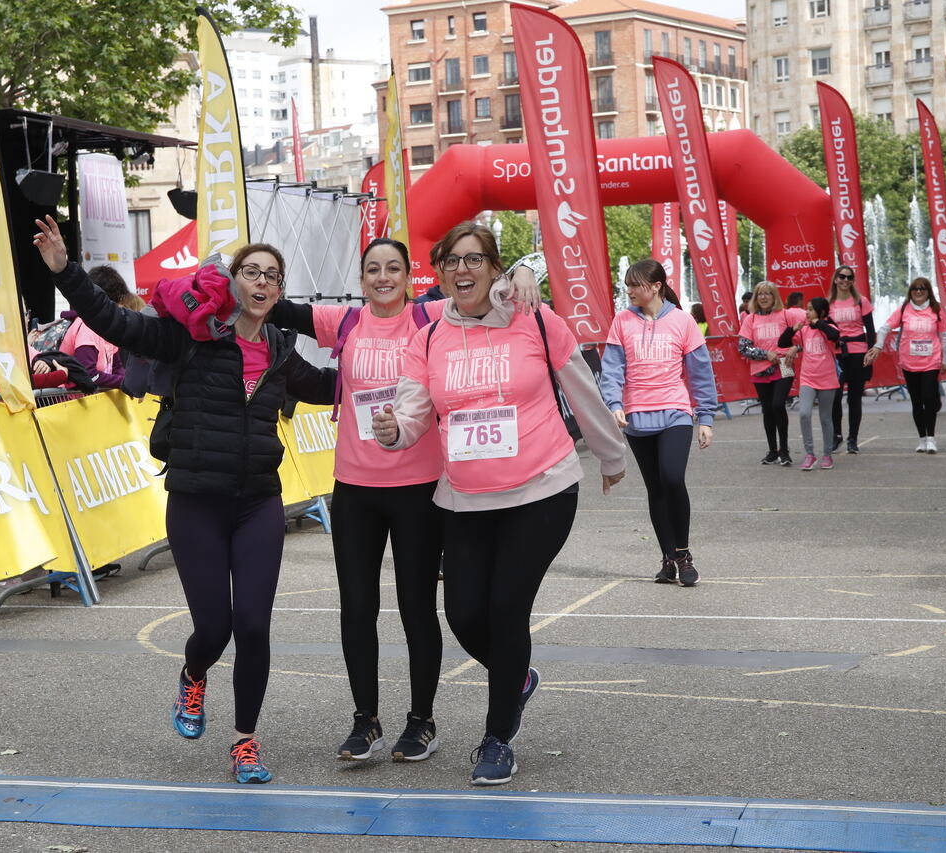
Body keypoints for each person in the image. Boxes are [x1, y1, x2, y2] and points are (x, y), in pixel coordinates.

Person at [34, 215, 336, 784]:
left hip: (259, 503)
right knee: (215, 631)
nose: (262, 282)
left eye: (272, 275)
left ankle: (245, 742)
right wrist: (65, 271)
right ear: (233, 282)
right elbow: (116, 322)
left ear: (279, 290)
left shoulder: (279, 350)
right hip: (197, 502)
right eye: (251, 272)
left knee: (253, 626)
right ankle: (194, 675)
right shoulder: (192, 337)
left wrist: (388, 364)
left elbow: (328, 387)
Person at [261, 239, 539, 764]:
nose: (383, 277)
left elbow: (486, 290)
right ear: (361, 278)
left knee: (417, 609)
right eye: (373, 269)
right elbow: (274, 305)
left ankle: (421, 721)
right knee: (357, 608)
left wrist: (520, 276)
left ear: (409, 276)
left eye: (393, 268)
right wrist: (221, 280)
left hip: (419, 488)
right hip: (355, 488)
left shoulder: (430, 316)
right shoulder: (342, 322)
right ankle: (365, 721)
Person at [371, 222, 626, 787]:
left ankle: (497, 739)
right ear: (440, 274)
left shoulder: (534, 318)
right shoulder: (428, 338)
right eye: (451, 262)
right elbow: (412, 413)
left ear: (493, 267)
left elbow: (580, 387)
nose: (462, 270)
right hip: (464, 499)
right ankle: (517, 679)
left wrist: (611, 456)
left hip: (541, 488)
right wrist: (394, 431)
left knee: (507, 608)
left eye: (474, 260)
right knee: (464, 614)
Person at [600, 260, 716, 587]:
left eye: (635, 284)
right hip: (637, 416)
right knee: (655, 488)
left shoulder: (683, 321)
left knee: (672, 477)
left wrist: (705, 417)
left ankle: (683, 553)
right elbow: (612, 369)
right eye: (627, 284)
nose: (629, 290)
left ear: (656, 286)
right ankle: (668, 557)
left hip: (675, 412)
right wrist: (615, 404)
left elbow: (700, 372)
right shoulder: (622, 321)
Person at [865, 278, 946, 453]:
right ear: (910, 291)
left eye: (922, 289)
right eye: (915, 289)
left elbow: (945, 337)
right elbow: (884, 328)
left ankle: (931, 438)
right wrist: (878, 346)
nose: (918, 292)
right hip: (909, 363)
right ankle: (922, 439)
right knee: (916, 401)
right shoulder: (904, 309)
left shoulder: (936, 309)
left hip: (931, 362)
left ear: (928, 291)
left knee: (929, 398)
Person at [779, 297, 841, 470]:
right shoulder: (804, 330)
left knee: (825, 418)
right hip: (808, 379)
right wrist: (793, 329)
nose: (807, 312)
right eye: (806, 308)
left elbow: (834, 335)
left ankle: (827, 454)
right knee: (804, 414)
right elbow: (782, 342)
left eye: (811, 309)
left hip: (827, 379)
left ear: (821, 312)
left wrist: (818, 323)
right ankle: (810, 454)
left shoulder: (829, 328)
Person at [738, 281, 794, 466]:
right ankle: (772, 451)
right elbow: (743, 348)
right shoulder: (751, 319)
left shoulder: (785, 315)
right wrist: (766, 354)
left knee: (778, 405)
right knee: (768, 410)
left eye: (767, 293)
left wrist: (795, 348)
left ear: (774, 296)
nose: (763, 297)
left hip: (784, 366)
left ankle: (784, 451)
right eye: (760, 293)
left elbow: (802, 336)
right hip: (760, 370)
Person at [56, 265, 138, 390]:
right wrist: (125, 383)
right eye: (120, 300)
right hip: (73, 399)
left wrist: (128, 382)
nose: (121, 305)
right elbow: (89, 374)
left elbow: (117, 367)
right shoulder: (88, 327)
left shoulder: (106, 326)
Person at [827, 266, 874, 454]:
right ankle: (836, 435)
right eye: (842, 276)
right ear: (835, 279)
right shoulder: (828, 303)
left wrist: (871, 353)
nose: (845, 280)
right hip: (837, 354)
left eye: (849, 277)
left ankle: (852, 438)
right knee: (835, 396)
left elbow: (870, 330)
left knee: (855, 397)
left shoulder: (861, 301)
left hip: (858, 353)